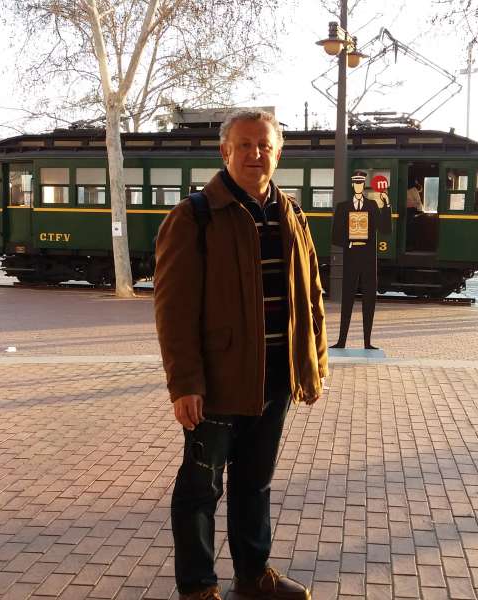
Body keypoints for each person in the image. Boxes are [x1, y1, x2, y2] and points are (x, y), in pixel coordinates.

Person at [154, 109, 328, 600]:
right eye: (245, 145)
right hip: (217, 384)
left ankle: (253, 577)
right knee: (200, 490)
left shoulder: (289, 213)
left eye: (264, 146)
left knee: (255, 484)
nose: (256, 154)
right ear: (225, 152)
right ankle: (198, 587)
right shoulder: (195, 216)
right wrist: (184, 384)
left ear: (278, 152)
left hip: (274, 380)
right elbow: (174, 310)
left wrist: (311, 367)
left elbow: (310, 296)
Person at [330, 171, 392, 350]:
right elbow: (335, 236)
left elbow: (386, 229)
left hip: (368, 258)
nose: (358, 186)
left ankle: (367, 342)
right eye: (356, 182)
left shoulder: (372, 205)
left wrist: (386, 206)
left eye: (361, 183)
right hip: (351, 257)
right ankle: (341, 340)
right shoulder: (343, 207)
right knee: (347, 299)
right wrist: (349, 241)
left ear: (363, 185)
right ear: (352, 185)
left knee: (369, 300)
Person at [405, 179, 424, 251]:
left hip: (410, 211)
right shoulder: (414, 190)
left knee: (410, 229)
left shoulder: (411, 190)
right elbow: (418, 202)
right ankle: (411, 245)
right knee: (411, 229)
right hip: (413, 211)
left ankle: (410, 245)